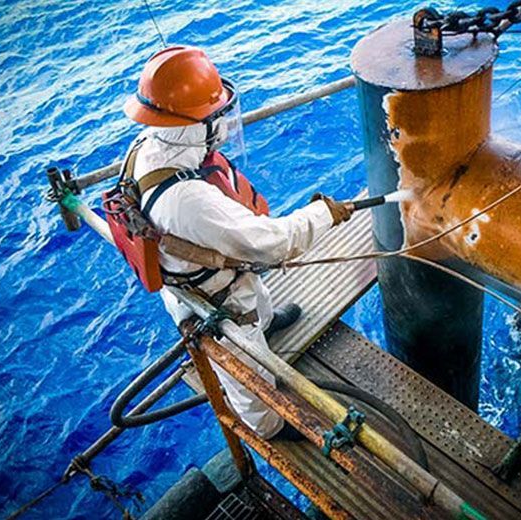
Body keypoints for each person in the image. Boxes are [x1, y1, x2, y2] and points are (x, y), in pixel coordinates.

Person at [122, 45, 353, 439]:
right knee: (246, 370)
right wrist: (324, 214)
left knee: (255, 305)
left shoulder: (151, 146)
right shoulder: (187, 199)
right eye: (215, 116)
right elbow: (271, 244)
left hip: (208, 276)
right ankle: (269, 424)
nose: (224, 122)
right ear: (195, 125)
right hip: (212, 299)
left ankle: (264, 325)